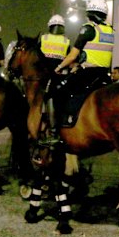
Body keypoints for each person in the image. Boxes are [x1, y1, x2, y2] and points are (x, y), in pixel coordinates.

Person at [42, 0, 114, 146]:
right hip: (104, 75)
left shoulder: (88, 28)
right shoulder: (110, 30)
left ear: (90, 13)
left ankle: (55, 133)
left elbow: (73, 55)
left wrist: (59, 67)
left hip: (87, 74)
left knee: (55, 92)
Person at [39, 14, 70, 142]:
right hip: (59, 76)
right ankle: (54, 130)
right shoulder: (66, 41)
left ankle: (50, 131)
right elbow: (70, 59)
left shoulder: (43, 38)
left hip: (43, 76)